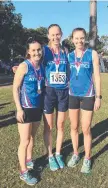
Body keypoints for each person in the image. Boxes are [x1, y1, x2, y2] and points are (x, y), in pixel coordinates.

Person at [67, 28, 101, 173]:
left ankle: (87, 157)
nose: (79, 41)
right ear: (72, 39)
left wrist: (98, 97)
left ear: (85, 38)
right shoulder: (69, 56)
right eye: (76, 38)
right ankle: (76, 153)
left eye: (82, 38)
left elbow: (97, 76)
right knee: (74, 127)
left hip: (88, 94)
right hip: (72, 94)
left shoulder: (92, 54)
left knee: (86, 128)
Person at [13, 37, 45, 185]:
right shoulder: (24, 66)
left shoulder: (42, 66)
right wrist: (19, 109)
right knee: (24, 141)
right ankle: (23, 172)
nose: (37, 52)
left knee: (32, 137)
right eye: (33, 50)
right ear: (28, 52)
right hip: (25, 108)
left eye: (39, 49)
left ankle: (29, 160)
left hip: (37, 108)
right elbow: (16, 88)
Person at [43, 24, 69, 171]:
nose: (55, 37)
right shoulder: (45, 50)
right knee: (49, 126)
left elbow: (68, 70)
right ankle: (50, 155)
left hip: (63, 92)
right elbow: (32, 60)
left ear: (61, 34)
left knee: (60, 125)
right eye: (52, 35)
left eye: (58, 34)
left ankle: (58, 153)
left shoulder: (65, 50)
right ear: (48, 36)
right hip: (49, 92)